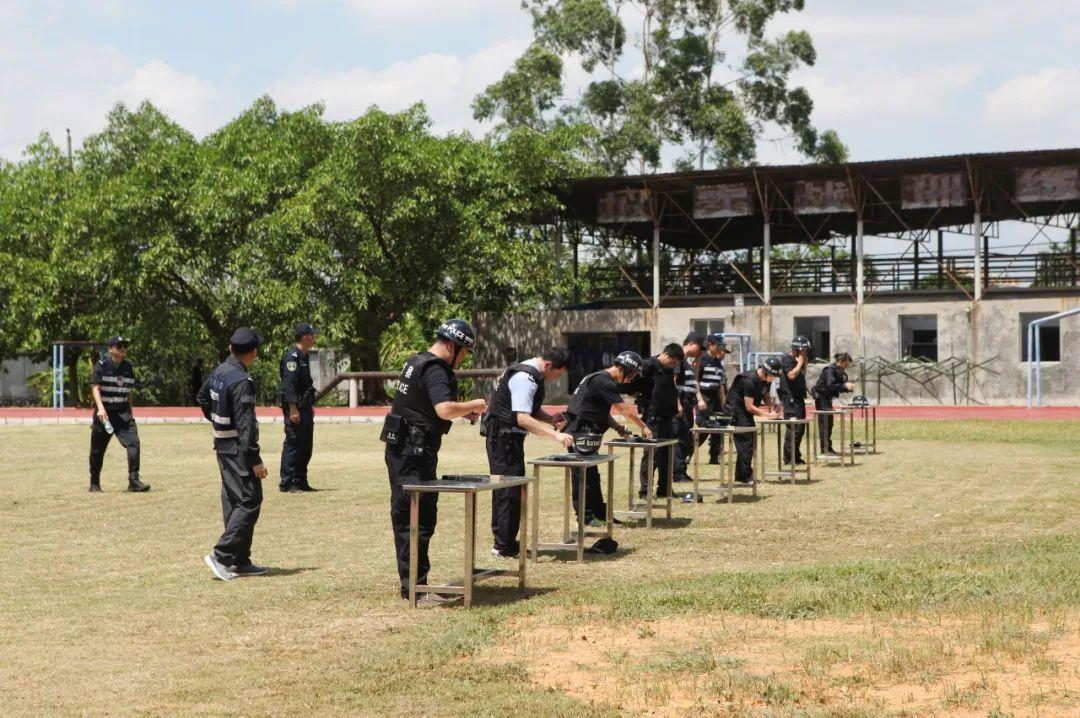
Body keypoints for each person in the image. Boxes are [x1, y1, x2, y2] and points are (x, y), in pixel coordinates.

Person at [380, 319, 487, 604]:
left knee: (416, 516)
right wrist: (473, 405)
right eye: (464, 352)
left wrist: (459, 413)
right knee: (414, 518)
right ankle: (414, 588)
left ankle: (416, 584)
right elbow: (443, 408)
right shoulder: (437, 369)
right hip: (412, 453)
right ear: (452, 346)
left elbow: (422, 405)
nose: (463, 359)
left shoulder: (417, 361)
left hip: (406, 449)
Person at [483, 347, 574, 559]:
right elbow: (522, 418)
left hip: (507, 439)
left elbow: (529, 409)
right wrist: (555, 435)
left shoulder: (531, 372)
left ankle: (504, 542)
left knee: (509, 489)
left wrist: (549, 418)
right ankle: (504, 546)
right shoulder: (526, 377)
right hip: (503, 439)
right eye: (557, 374)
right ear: (549, 365)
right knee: (509, 491)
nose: (555, 379)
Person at [198, 328, 269, 581]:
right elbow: (246, 425)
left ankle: (239, 560)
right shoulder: (240, 381)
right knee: (249, 501)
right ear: (253, 353)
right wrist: (255, 460)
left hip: (223, 445)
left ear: (230, 348)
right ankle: (221, 555)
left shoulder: (220, 371)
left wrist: (219, 426)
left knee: (233, 500)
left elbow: (202, 398)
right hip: (238, 449)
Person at [565, 350, 649, 527]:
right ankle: (586, 517)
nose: (632, 378)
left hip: (587, 431)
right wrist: (643, 426)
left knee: (592, 476)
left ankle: (601, 514)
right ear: (624, 368)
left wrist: (617, 427)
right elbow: (624, 409)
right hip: (581, 431)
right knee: (582, 476)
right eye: (633, 374)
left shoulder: (599, 378)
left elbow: (601, 411)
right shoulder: (604, 381)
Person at [88, 336, 149, 493]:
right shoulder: (101, 366)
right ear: (111, 349)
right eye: (119, 346)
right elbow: (95, 388)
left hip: (123, 414)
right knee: (97, 449)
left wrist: (131, 412)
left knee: (134, 443)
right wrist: (100, 409)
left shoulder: (129, 367)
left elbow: (129, 392)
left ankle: (133, 480)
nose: (123, 349)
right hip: (105, 415)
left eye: (125, 346)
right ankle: (94, 482)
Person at [631, 343, 685, 500]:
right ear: (667, 355)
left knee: (668, 455)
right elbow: (632, 383)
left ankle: (665, 489)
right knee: (652, 455)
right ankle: (645, 491)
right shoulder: (647, 365)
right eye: (674, 362)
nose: (674, 366)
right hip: (653, 419)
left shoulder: (667, 368)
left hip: (668, 417)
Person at [727, 357, 783, 484]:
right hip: (737, 410)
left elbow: (765, 394)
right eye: (773, 376)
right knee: (745, 442)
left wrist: (772, 407)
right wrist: (768, 416)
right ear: (765, 371)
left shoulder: (766, 380)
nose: (774, 379)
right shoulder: (750, 380)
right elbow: (750, 407)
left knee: (749, 442)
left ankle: (743, 475)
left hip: (745, 413)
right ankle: (745, 476)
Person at [279, 322, 319, 493]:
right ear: (305, 337)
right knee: (294, 444)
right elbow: (289, 385)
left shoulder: (304, 356)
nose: (314, 337)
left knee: (306, 446)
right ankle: (287, 482)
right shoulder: (292, 358)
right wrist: (293, 409)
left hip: (305, 407)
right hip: (296, 409)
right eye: (312, 335)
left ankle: (300, 480)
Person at [673, 333, 706, 482]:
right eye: (700, 348)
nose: (701, 351)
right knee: (680, 439)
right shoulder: (678, 359)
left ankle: (681, 470)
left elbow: (693, 383)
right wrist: (677, 404)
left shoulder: (687, 362)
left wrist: (699, 399)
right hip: (681, 405)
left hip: (688, 405)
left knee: (686, 438)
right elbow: (672, 383)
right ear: (692, 344)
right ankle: (677, 473)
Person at [696, 332, 730, 464]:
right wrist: (700, 399)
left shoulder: (718, 363)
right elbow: (695, 382)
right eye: (719, 346)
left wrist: (723, 402)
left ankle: (714, 456)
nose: (721, 350)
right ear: (710, 345)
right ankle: (686, 454)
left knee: (718, 428)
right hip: (705, 397)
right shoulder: (702, 360)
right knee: (704, 428)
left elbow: (721, 385)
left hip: (716, 399)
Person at [779, 335, 812, 465]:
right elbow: (791, 375)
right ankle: (789, 458)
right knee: (793, 428)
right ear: (797, 349)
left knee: (800, 429)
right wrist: (800, 363)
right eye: (804, 349)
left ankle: (795, 456)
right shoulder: (787, 359)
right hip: (790, 399)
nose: (805, 352)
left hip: (798, 398)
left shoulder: (800, 359)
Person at [813, 352, 855, 454]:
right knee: (825, 424)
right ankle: (825, 449)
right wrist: (845, 386)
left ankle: (827, 447)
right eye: (846, 364)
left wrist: (847, 388)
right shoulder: (830, 370)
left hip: (827, 399)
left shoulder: (837, 370)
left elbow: (837, 385)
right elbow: (831, 385)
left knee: (829, 423)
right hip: (822, 399)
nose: (846, 366)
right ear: (841, 361)